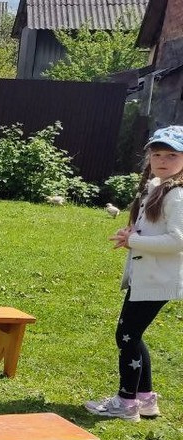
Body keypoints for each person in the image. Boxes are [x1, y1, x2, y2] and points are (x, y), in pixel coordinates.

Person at [85, 126, 183, 420]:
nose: (162, 160)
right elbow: (154, 230)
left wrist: (135, 241)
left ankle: (126, 403)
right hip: (147, 277)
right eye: (157, 154)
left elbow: (178, 240)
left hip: (157, 279)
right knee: (132, 335)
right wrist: (133, 233)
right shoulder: (158, 187)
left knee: (127, 336)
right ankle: (145, 398)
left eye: (172, 155)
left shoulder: (176, 195)